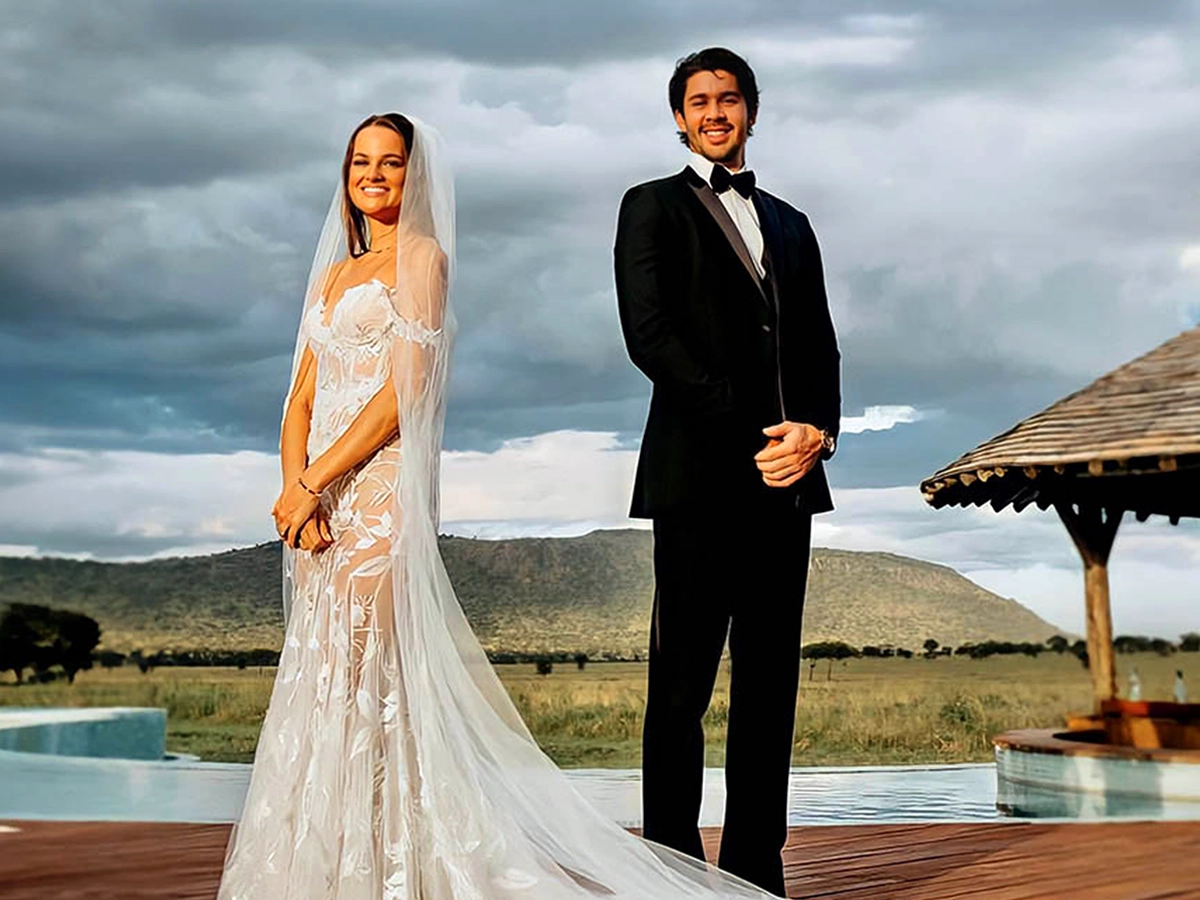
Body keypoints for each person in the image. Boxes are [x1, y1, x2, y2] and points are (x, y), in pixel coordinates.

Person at [217, 112, 792, 899]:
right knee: (319, 674)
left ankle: (388, 865)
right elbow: (299, 396)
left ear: (414, 176)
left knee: (367, 674)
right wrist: (294, 491)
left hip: (376, 496)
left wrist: (318, 480)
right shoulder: (334, 276)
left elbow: (405, 391)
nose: (374, 175)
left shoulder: (423, 259)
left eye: (391, 162)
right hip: (314, 501)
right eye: (361, 162)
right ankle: (325, 860)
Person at [614, 48, 841, 895]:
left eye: (729, 98)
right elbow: (651, 338)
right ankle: (672, 868)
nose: (715, 111)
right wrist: (761, 432)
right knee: (681, 690)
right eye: (699, 100)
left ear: (751, 111)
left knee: (770, 687)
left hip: (789, 489)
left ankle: (756, 868)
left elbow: (819, 342)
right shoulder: (651, 207)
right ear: (679, 116)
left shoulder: (792, 222)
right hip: (698, 479)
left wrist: (818, 433)